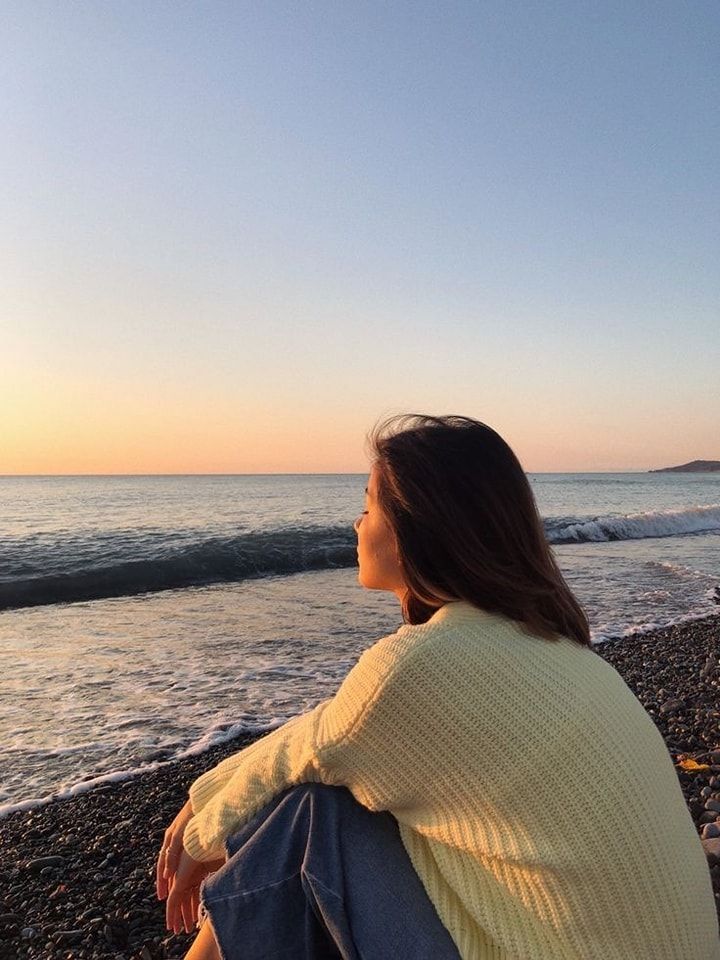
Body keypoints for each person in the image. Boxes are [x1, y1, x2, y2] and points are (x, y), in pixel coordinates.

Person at [156, 414, 720, 960]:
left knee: (311, 812)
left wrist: (201, 834)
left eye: (367, 508)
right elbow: (327, 731)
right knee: (346, 789)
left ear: (415, 528)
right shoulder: (553, 647)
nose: (355, 525)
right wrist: (203, 799)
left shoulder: (419, 667)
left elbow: (315, 750)